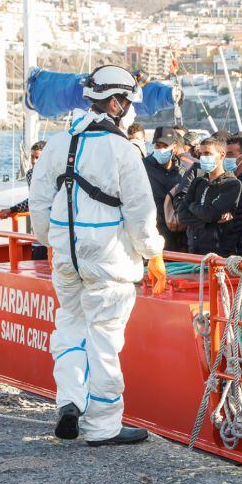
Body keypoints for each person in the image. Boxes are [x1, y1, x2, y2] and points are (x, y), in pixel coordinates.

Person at [28, 64, 165, 447]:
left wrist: (51, 241)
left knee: (69, 327)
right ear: (118, 103)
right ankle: (103, 425)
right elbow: (141, 214)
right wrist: (153, 252)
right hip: (109, 259)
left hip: (65, 256)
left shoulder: (58, 143)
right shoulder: (122, 149)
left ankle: (70, 401)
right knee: (104, 339)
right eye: (130, 103)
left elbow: (39, 205)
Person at [177, 137, 242, 257]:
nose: (203, 157)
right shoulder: (198, 181)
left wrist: (192, 206)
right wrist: (206, 219)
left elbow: (211, 214)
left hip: (218, 253)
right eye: (201, 154)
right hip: (194, 249)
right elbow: (182, 215)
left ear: (222, 155)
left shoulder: (232, 184)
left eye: (208, 153)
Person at [142, 126, 187, 252]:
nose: (160, 149)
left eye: (164, 146)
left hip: (176, 234)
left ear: (173, 147)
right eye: (157, 145)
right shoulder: (142, 167)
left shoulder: (183, 170)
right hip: (151, 231)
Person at [4, 141, 47, 214]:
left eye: (37, 157)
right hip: (39, 217)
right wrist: (12, 209)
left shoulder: (55, 173)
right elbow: (33, 200)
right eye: (32, 157)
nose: (33, 161)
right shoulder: (30, 174)